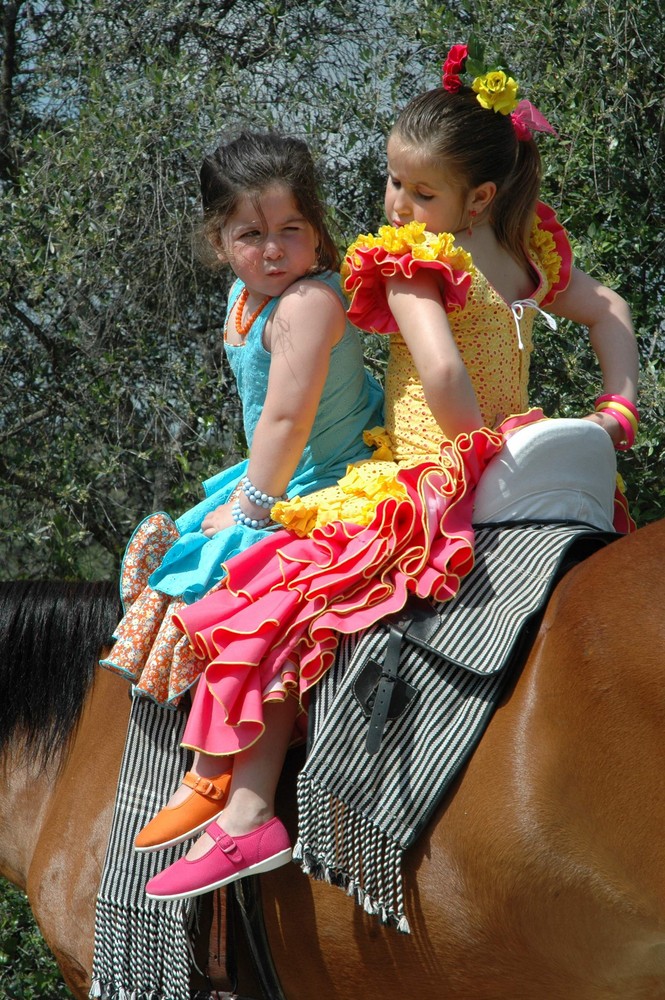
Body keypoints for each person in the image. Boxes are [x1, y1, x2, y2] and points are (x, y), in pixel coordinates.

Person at [144, 41, 639, 900]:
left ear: (473, 195)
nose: (396, 203)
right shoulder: (528, 256)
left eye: (416, 190)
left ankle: (247, 813)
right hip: (528, 460)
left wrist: (465, 447)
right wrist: (617, 408)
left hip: (428, 468)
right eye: (391, 183)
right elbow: (612, 311)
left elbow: (442, 376)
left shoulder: (418, 262)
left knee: (282, 599)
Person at [101, 129, 384, 849]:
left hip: (335, 479)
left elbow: (288, 418)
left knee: (253, 595)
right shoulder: (246, 295)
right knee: (194, 567)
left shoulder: (308, 302)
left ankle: (237, 790)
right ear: (217, 239)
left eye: (291, 230)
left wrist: (251, 510)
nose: (272, 249)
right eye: (250, 233)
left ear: (317, 231)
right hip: (281, 471)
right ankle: (203, 762)